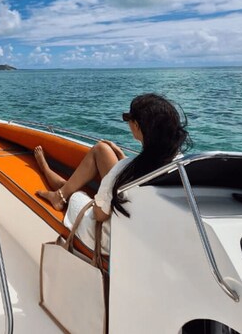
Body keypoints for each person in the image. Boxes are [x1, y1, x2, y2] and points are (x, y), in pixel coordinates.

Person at [34, 93, 191, 253]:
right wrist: (124, 160)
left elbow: (99, 216)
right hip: (146, 232)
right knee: (102, 150)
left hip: (112, 241)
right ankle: (61, 192)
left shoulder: (124, 170)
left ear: (137, 126)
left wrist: (121, 169)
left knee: (76, 195)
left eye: (129, 118)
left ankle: (56, 190)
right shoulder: (182, 165)